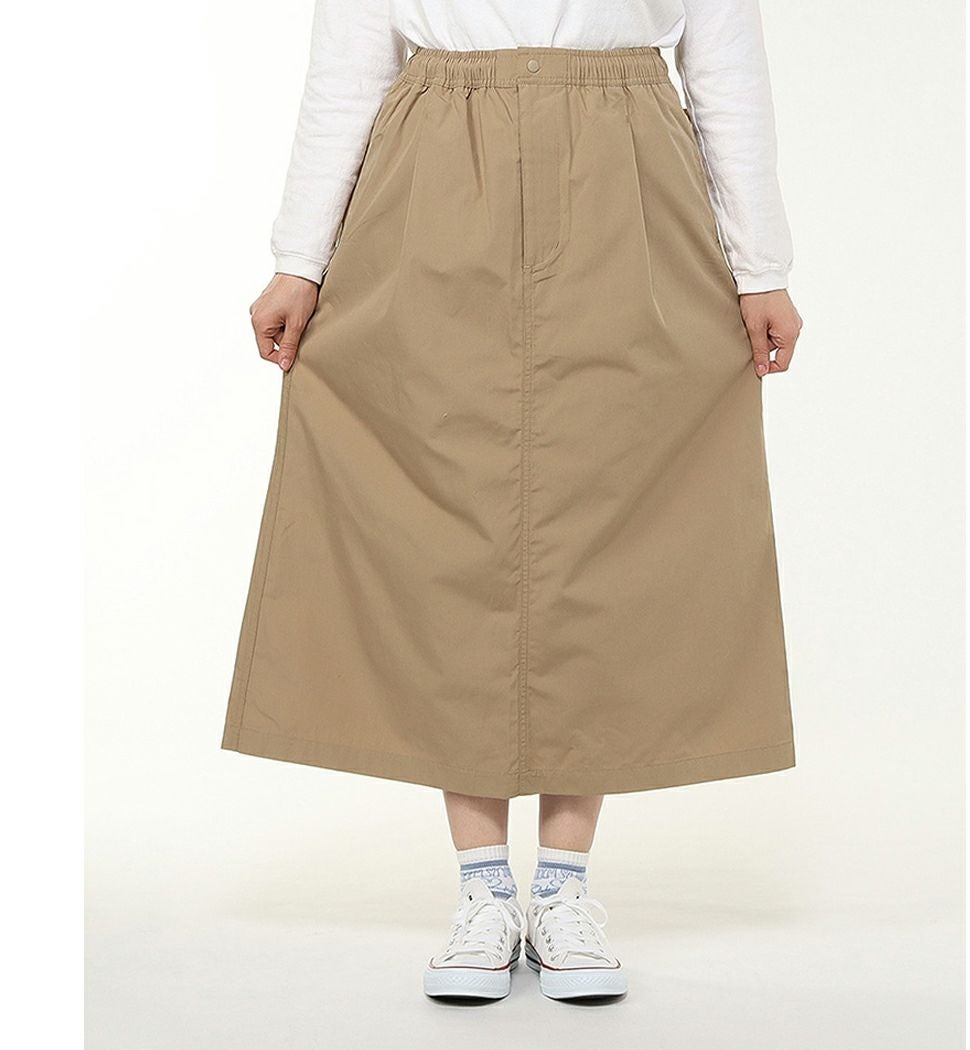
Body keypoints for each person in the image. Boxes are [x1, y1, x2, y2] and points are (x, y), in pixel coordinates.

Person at [222, 0, 802, 1003]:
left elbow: (726, 68)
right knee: (453, 531)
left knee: (608, 528)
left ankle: (565, 887)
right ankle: (484, 890)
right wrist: (298, 259)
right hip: (435, 173)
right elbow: (348, 70)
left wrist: (764, 267)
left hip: (628, 180)